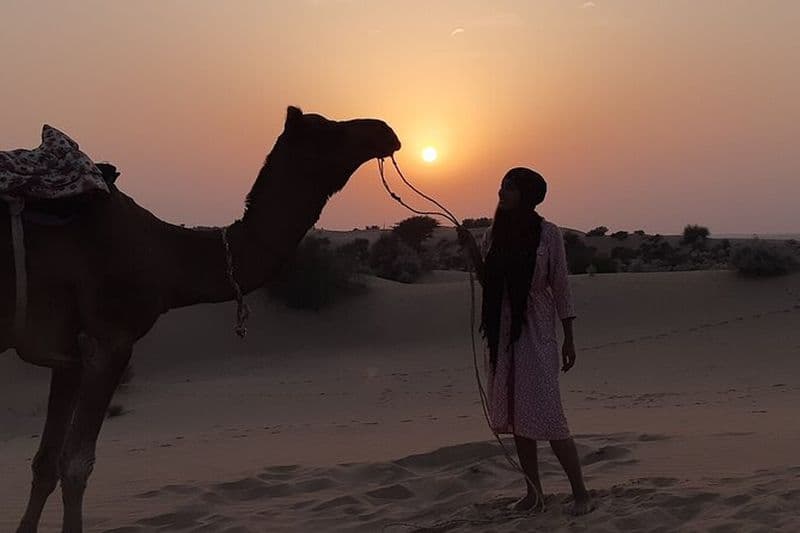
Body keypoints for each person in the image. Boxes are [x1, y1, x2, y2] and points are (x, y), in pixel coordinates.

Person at [457, 167, 594, 515]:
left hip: (537, 331)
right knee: (519, 417)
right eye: (502, 185)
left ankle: (581, 494)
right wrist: (472, 250)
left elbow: (560, 285)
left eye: (510, 187)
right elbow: (490, 282)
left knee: (549, 413)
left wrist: (569, 338)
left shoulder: (549, 235)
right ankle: (534, 493)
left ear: (527, 195)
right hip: (504, 333)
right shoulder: (494, 233)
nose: (501, 192)